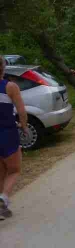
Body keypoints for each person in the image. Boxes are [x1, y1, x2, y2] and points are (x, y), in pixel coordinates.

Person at [0, 55, 28, 220]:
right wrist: (23, 125)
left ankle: (1, 210)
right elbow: (22, 111)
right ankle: (3, 199)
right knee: (15, 169)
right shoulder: (10, 87)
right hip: (7, 132)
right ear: (3, 67)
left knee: (2, 171)